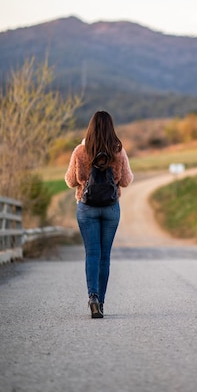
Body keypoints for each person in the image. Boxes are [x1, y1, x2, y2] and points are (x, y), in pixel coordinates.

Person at [65, 110, 133, 318]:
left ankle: (92, 297)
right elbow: (126, 181)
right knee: (105, 256)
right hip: (111, 208)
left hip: (86, 208)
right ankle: (101, 304)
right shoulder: (118, 151)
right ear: (111, 128)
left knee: (92, 253)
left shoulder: (80, 151)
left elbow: (70, 181)